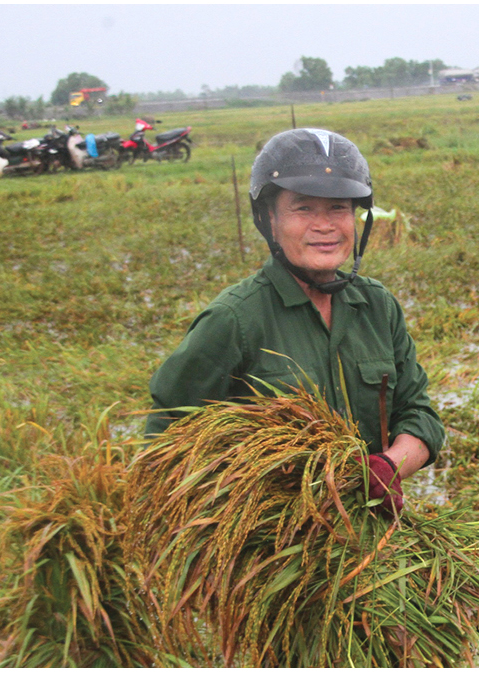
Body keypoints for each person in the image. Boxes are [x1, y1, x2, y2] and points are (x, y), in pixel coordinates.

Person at [144, 128, 444, 517]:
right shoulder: (234, 319)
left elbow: (420, 414)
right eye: (303, 208)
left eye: (338, 208)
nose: (325, 226)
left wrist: (388, 467)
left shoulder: (378, 306)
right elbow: (166, 442)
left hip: (368, 536)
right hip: (270, 547)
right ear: (269, 219)